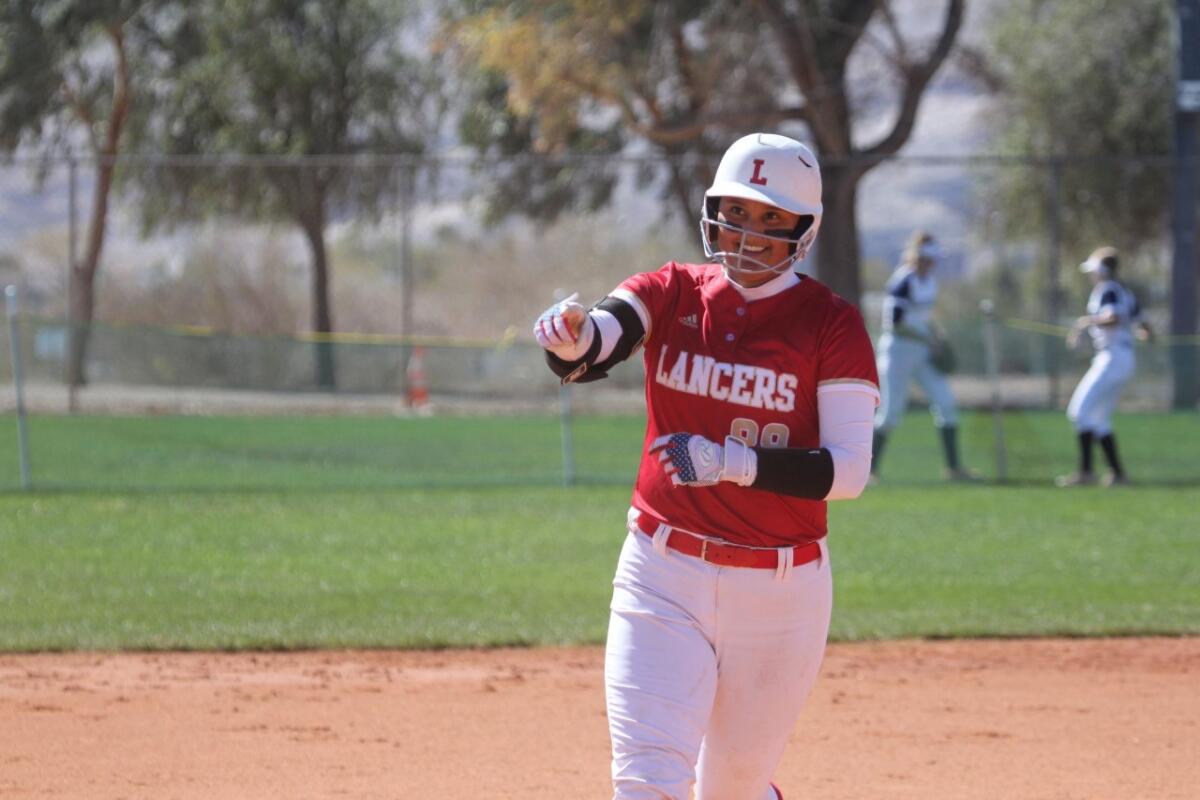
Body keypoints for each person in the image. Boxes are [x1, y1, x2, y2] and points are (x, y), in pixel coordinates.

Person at [532, 132, 879, 800]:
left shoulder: (830, 325)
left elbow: (849, 470)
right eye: (738, 212)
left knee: (733, 789)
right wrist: (571, 338)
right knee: (646, 783)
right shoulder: (672, 291)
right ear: (713, 209)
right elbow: (599, 343)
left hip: (781, 589)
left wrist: (733, 463)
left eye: (770, 220)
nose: (748, 233)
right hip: (663, 572)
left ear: (803, 232)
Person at [870, 230, 973, 481]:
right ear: (917, 257)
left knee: (946, 402)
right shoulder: (903, 281)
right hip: (898, 351)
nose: (930, 264)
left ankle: (953, 468)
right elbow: (895, 323)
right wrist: (928, 339)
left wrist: (937, 336)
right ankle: (869, 470)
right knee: (890, 412)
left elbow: (923, 320)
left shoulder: (929, 282)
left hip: (922, 351)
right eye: (927, 259)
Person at [1057, 246, 1154, 487]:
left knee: (1079, 411)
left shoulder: (1107, 289)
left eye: (1093, 270)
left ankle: (1086, 472)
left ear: (1101, 270)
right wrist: (1144, 333)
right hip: (1123, 359)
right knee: (1098, 418)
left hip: (1111, 358)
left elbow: (1113, 317)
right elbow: (1146, 326)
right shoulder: (1125, 291)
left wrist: (1084, 323)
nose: (1091, 275)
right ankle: (1118, 474)